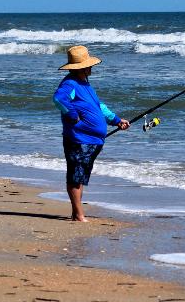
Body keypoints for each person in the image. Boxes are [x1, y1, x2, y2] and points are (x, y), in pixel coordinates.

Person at [53, 45, 130, 222]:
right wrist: (73, 116)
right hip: (78, 139)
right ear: (81, 67)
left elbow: (98, 106)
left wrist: (116, 120)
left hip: (91, 140)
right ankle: (79, 215)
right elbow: (58, 99)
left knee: (80, 177)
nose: (91, 67)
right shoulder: (70, 83)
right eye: (89, 65)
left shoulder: (85, 84)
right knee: (75, 177)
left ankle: (76, 213)